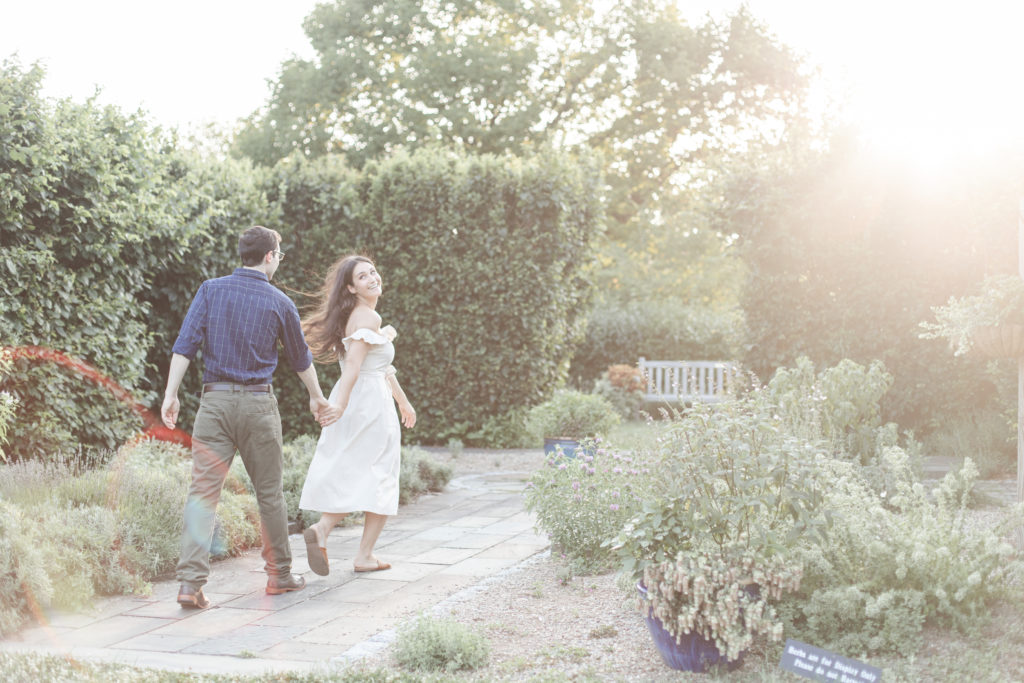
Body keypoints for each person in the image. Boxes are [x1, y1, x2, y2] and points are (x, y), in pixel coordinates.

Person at [161, 225, 336, 609]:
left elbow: (185, 345)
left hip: (215, 405)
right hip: (258, 406)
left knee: (202, 495)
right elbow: (300, 358)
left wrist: (171, 394)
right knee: (269, 494)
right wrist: (318, 397)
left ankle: (190, 584)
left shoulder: (210, 290)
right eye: (280, 254)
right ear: (270, 256)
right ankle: (280, 576)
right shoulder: (279, 302)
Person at [299, 255, 416, 575]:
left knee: (358, 471)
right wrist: (341, 404)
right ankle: (362, 555)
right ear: (351, 287)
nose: (372, 278)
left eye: (373, 271)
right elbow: (353, 367)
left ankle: (323, 529)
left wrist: (403, 401)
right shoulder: (366, 319)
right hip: (369, 404)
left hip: (361, 398)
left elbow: (378, 367)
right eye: (363, 276)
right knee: (381, 475)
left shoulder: (356, 316)